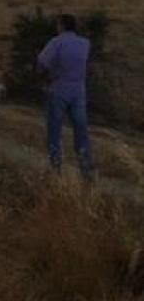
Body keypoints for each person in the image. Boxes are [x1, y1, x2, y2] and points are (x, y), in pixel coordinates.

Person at [37, 14, 94, 180]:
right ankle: (85, 168)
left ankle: (56, 169)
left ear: (61, 25)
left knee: (54, 129)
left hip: (59, 88)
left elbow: (42, 62)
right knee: (81, 129)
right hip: (78, 90)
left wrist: (46, 74)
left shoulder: (57, 42)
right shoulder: (85, 43)